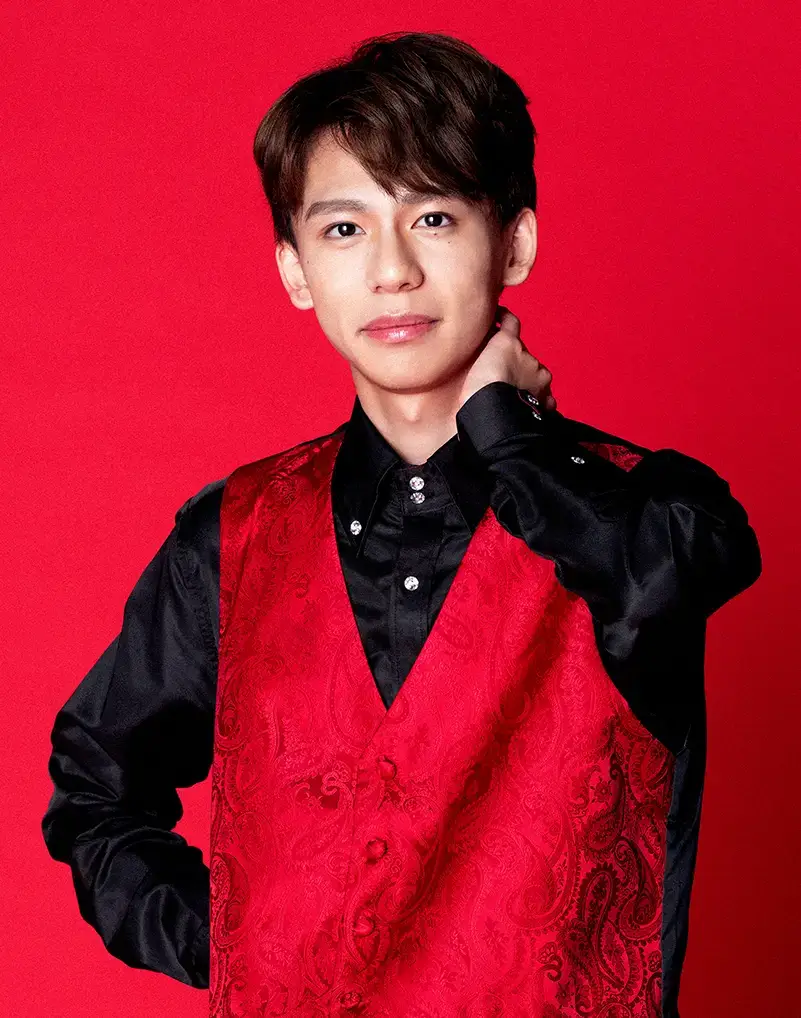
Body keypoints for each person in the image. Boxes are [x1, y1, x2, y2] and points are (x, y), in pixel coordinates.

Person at [42, 31, 761, 1018]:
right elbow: (96, 791)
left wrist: (507, 433)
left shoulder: (651, 508)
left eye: (432, 216)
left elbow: (654, 584)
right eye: (344, 229)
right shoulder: (232, 537)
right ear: (296, 270)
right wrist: (243, 943)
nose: (392, 270)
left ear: (514, 242)